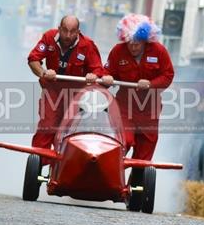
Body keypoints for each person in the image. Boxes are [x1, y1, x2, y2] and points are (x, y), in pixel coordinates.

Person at [102, 13, 174, 185]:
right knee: (123, 140)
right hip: (124, 107)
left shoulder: (159, 51)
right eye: (129, 42)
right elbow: (107, 71)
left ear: (146, 40)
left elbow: (168, 75)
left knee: (145, 150)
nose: (133, 46)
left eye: (137, 42)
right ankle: (109, 178)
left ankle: (136, 188)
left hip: (149, 109)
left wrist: (151, 83)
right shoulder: (118, 51)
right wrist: (106, 78)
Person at [27, 15, 105, 165]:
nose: (68, 35)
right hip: (53, 92)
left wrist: (92, 75)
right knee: (47, 126)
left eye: (72, 32)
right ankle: (37, 165)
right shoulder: (49, 37)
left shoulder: (88, 45)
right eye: (65, 31)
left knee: (68, 132)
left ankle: (62, 166)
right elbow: (33, 59)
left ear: (78, 32)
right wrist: (43, 72)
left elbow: (98, 69)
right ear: (59, 29)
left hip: (75, 97)